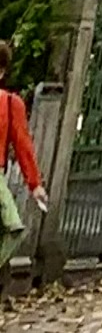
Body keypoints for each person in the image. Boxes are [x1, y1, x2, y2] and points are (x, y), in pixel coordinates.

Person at [0, 39, 43, 292]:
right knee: (13, 225)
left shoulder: (10, 104)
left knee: (13, 227)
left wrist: (35, 183)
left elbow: (23, 145)